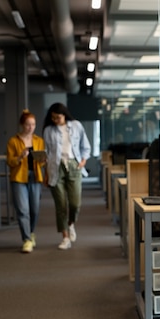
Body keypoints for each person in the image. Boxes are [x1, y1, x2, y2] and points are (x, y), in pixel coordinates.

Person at [42, 102, 91, 250]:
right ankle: (65, 237)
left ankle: (71, 224)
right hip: (55, 168)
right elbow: (46, 153)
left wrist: (83, 160)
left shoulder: (76, 125)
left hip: (74, 165)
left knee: (75, 203)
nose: (55, 120)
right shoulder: (48, 130)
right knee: (61, 205)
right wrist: (46, 173)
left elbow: (85, 145)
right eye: (53, 118)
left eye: (58, 117)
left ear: (64, 115)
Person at [6, 110, 46, 253]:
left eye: (33, 124)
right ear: (22, 125)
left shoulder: (39, 141)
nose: (31, 127)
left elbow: (40, 164)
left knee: (34, 209)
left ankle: (31, 232)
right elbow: (10, 162)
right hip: (19, 178)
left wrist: (42, 160)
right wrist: (20, 157)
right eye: (28, 124)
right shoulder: (13, 141)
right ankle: (27, 239)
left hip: (35, 177)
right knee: (23, 210)